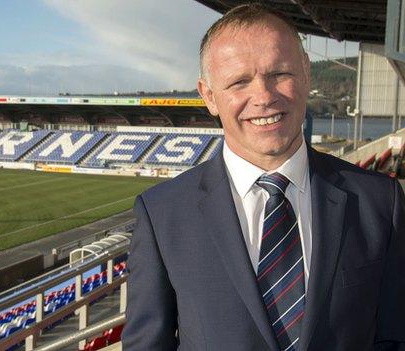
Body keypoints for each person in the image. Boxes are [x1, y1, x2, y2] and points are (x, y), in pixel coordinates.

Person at [122, 4, 405, 351]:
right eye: (239, 81)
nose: (265, 97)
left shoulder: (380, 201)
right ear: (209, 96)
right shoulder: (162, 214)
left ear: (306, 73)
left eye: (279, 74)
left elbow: (396, 334)